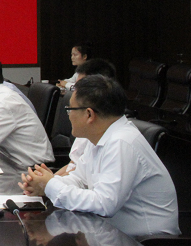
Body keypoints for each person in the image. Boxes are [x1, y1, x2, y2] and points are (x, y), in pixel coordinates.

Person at [19, 75, 180, 237]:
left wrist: (51, 185)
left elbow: (104, 205)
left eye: (70, 109)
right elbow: (80, 180)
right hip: (111, 235)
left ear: (89, 114)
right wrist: (45, 184)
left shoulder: (121, 143)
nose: (68, 115)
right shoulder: (99, 137)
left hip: (146, 243)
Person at [55, 58, 117, 176]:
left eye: (80, 87)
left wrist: (49, 182)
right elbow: (74, 166)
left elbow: (81, 176)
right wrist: (49, 180)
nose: (75, 92)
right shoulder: (90, 128)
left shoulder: (115, 141)